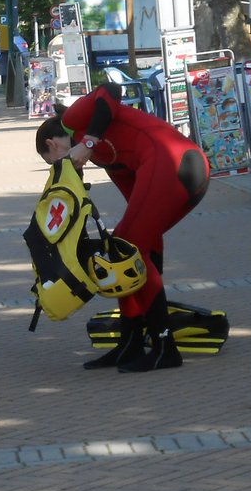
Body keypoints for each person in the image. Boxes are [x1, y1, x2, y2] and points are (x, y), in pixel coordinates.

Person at [35, 83, 209, 371]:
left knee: (125, 248)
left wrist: (88, 141)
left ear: (53, 145)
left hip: (174, 160)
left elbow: (110, 91)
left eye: (53, 162)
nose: (63, 168)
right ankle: (132, 342)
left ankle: (164, 345)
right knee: (130, 248)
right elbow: (137, 205)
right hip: (184, 170)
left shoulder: (73, 121)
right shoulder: (108, 159)